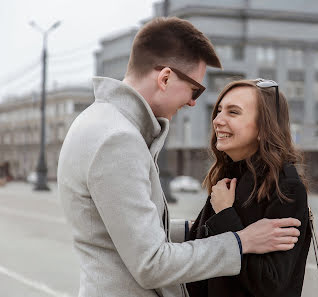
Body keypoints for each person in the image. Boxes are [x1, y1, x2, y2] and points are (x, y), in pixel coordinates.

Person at [57, 17, 302, 297]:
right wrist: (240, 241)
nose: (193, 102)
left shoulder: (96, 121)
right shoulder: (118, 139)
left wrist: (203, 228)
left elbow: (122, 230)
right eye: (195, 89)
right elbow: (151, 263)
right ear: (165, 78)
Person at [187, 79, 311, 297]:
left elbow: (270, 284)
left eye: (233, 112)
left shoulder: (285, 187)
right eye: (218, 111)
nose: (217, 120)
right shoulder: (229, 176)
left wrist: (226, 216)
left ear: (265, 127)